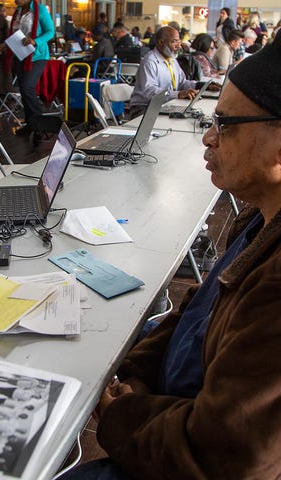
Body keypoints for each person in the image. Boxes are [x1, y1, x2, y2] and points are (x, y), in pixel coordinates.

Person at [60, 30, 281, 480]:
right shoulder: (260, 221)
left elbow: (219, 457)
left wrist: (123, 415)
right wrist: (138, 374)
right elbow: (199, 310)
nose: (209, 138)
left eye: (224, 123)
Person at [0, 0, 55, 139]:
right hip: (20, 55)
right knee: (23, 91)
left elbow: (50, 32)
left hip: (37, 56)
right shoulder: (18, 12)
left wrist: (35, 40)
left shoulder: (40, 10)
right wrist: (6, 45)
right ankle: (31, 125)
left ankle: (40, 125)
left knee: (27, 87)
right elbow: (16, 34)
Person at [129, 26, 200, 118]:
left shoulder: (172, 59)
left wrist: (199, 86)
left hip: (166, 104)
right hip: (144, 108)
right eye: (174, 42)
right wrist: (178, 94)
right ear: (161, 42)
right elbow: (149, 91)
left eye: (179, 41)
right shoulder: (150, 61)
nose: (178, 46)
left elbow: (182, 83)